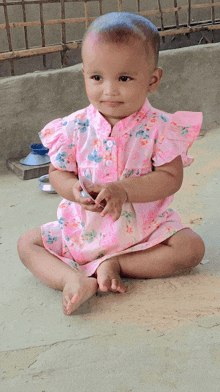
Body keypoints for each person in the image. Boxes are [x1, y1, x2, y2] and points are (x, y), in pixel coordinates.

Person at [17, 12, 205, 315]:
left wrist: (123, 190)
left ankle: (116, 263)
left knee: (191, 248)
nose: (109, 90)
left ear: (153, 79)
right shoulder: (72, 128)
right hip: (84, 228)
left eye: (124, 78)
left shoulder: (161, 129)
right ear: (84, 75)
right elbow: (58, 172)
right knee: (27, 243)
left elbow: (170, 178)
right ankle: (74, 279)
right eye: (97, 77)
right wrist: (74, 190)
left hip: (144, 231)